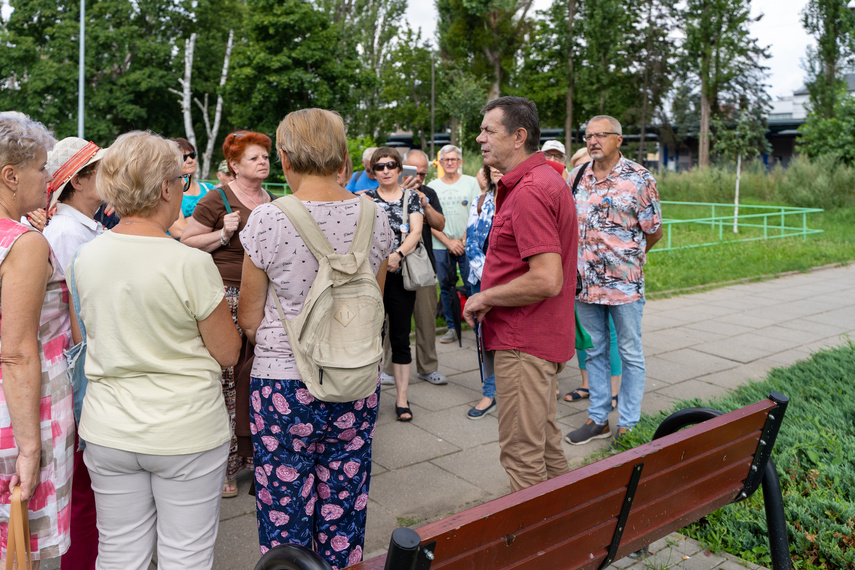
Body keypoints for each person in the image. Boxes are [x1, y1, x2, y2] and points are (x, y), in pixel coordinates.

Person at [71, 131, 241, 569]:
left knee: (119, 552)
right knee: (185, 554)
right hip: (184, 430)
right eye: (179, 183)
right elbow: (227, 352)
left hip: (108, 426)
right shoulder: (190, 263)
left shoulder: (86, 256)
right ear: (166, 188)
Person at [237, 108, 393, 569]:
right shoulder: (376, 217)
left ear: (284, 159)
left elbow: (249, 316)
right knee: (344, 504)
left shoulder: (268, 220)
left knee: (285, 509)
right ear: (344, 156)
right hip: (357, 380)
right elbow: (371, 307)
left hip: (285, 385)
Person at [463, 96, 578, 492]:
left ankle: (537, 546)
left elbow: (547, 279)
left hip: (523, 342)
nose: (479, 138)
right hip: (536, 340)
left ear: (519, 137)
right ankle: (570, 530)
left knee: (522, 456)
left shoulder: (530, 190)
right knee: (546, 448)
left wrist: (484, 298)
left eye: (488, 130)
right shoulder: (539, 181)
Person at [0, 115, 74, 566]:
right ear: (10, 175)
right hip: (22, 410)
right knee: (18, 550)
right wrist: (30, 448)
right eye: (42, 167)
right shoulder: (23, 242)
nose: (49, 178)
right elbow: (16, 351)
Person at [182, 130, 273, 498]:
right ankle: (225, 467)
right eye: (254, 158)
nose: (263, 162)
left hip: (263, 299)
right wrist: (222, 234)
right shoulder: (217, 198)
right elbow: (187, 242)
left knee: (256, 379)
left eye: (265, 156)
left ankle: (256, 456)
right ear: (234, 165)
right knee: (227, 381)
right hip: (228, 297)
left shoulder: (273, 199)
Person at [565, 115, 663, 447]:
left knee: (630, 353)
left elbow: (654, 231)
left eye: (600, 135)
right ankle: (597, 419)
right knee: (594, 352)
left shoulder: (639, 178)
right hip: (585, 286)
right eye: (588, 135)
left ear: (618, 140)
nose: (592, 141)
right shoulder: (577, 176)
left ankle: (629, 422)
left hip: (625, 286)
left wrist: (628, 258)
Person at [43, 136, 107, 570]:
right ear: (79, 181)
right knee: (83, 496)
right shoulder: (65, 233)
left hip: (85, 371)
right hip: (79, 376)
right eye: (99, 170)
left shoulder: (82, 226)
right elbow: (77, 317)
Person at [364, 148, 424, 422]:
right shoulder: (365, 199)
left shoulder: (411, 198)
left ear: (400, 169)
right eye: (379, 166)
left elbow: (416, 233)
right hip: (370, 278)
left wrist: (397, 256)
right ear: (372, 172)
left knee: (400, 338)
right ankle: (368, 396)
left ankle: (402, 398)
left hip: (400, 276)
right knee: (370, 340)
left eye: (390, 165)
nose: (385, 170)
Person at [380, 149, 447, 387]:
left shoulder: (427, 193)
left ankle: (428, 367)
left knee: (426, 319)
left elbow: (440, 224)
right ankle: (388, 368)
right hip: (392, 268)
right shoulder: (387, 193)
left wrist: (424, 204)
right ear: (400, 168)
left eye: (423, 173)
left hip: (421, 264)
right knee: (391, 321)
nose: (418, 177)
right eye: (412, 172)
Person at [563, 146, 622, 409]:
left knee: (610, 334)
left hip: (610, 277)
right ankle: (588, 384)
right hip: (579, 274)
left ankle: (613, 390)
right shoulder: (574, 185)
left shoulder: (617, 186)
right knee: (583, 332)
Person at [427, 144, 480, 343]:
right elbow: (428, 220)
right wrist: (449, 242)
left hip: (467, 244)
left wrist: (462, 241)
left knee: (471, 285)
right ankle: (451, 327)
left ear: (460, 162)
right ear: (440, 163)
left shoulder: (471, 183)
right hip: (441, 245)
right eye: (446, 160)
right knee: (446, 287)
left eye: (453, 159)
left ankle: (478, 327)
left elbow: (477, 213)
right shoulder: (433, 186)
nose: (450, 163)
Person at [465, 164, 500, 419]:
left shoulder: (522, 197)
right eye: (493, 168)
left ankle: (513, 391)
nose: (498, 171)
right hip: (482, 279)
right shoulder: (481, 201)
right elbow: (471, 243)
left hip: (515, 281)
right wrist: (488, 275)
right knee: (484, 338)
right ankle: (489, 393)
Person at [167, 138, 215, 239]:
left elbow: (222, 221)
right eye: (183, 158)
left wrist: (189, 220)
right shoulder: (169, 191)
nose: (190, 160)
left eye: (192, 155)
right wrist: (209, 221)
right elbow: (179, 231)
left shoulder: (209, 188)